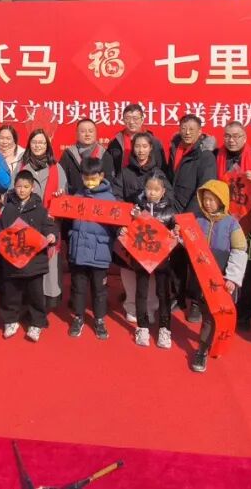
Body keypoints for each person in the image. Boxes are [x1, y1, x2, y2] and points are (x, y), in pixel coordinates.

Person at [214, 121, 251, 331]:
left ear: (245, 137)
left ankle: (245, 314)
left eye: (236, 136)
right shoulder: (216, 156)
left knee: (247, 270)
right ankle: (222, 308)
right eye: (228, 136)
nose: (232, 140)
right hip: (223, 220)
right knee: (222, 265)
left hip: (250, 222)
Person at [0, 170, 57, 342]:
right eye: (19, 186)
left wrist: (51, 235)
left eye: (26, 187)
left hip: (34, 261)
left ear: (32, 188)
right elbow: (0, 227)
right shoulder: (8, 208)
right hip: (12, 260)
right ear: (14, 187)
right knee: (11, 293)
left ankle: (37, 323)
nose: (22, 190)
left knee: (35, 294)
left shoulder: (40, 209)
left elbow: (49, 227)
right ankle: (10, 320)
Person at [188, 179, 248, 373]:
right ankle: (207, 342)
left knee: (211, 316)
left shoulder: (232, 224)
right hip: (202, 277)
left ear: (222, 200)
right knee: (207, 313)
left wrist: (232, 278)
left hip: (222, 279)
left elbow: (240, 251)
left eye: (212, 199)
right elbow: (189, 242)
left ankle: (202, 349)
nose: (207, 203)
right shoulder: (198, 220)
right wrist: (179, 236)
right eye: (205, 199)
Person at [111, 131, 165, 325]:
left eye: (144, 146)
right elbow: (116, 197)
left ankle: (150, 306)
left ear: (151, 148)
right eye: (137, 146)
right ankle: (131, 306)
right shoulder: (125, 172)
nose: (141, 150)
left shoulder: (158, 173)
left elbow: (167, 199)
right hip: (130, 228)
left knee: (150, 269)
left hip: (151, 231)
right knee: (128, 268)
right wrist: (127, 218)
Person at [167, 114, 216, 323]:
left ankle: (195, 302)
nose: (187, 132)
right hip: (174, 213)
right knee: (176, 259)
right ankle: (177, 298)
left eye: (191, 129)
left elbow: (204, 189)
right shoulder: (173, 149)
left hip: (195, 216)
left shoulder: (205, 156)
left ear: (200, 132)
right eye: (184, 128)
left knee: (196, 262)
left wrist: (186, 217)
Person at [121, 173, 179, 349]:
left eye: (156, 189)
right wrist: (124, 229)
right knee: (141, 293)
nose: (152, 193)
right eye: (149, 189)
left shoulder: (170, 211)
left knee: (163, 294)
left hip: (162, 260)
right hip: (141, 258)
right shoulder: (137, 208)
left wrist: (176, 231)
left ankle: (165, 329)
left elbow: (176, 231)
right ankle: (142, 327)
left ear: (163, 191)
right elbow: (127, 228)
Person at [67, 156, 118, 340]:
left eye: (93, 178)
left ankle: (99, 320)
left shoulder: (110, 198)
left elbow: (117, 226)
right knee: (78, 288)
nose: (89, 181)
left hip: (99, 253)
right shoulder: (77, 196)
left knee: (99, 290)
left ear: (101, 175)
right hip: (78, 251)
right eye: (86, 178)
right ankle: (78, 317)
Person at [16, 129, 67, 309]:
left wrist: (60, 196)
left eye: (42, 143)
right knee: (27, 263)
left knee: (50, 264)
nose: (38, 146)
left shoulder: (57, 168)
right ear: (29, 144)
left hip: (50, 224)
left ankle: (49, 299)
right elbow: (13, 192)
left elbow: (66, 198)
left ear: (47, 146)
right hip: (26, 224)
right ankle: (28, 301)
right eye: (34, 142)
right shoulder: (21, 167)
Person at [107, 103, 166, 175]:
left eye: (135, 118)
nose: (131, 122)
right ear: (123, 120)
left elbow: (161, 168)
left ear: (142, 119)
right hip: (121, 180)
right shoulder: (115, 142)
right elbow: (109, 168)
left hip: (148, 180)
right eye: (127, 118)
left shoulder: (153, 142)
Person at [60, 119, 115, 194]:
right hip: (74, 198)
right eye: (83, 131)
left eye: (91, 131)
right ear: (77, 134)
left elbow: (109, 180)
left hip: (99, 197)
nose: (87, 134)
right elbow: (62, 180)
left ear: (95, 133)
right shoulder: (68, 154)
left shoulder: (104, 154)